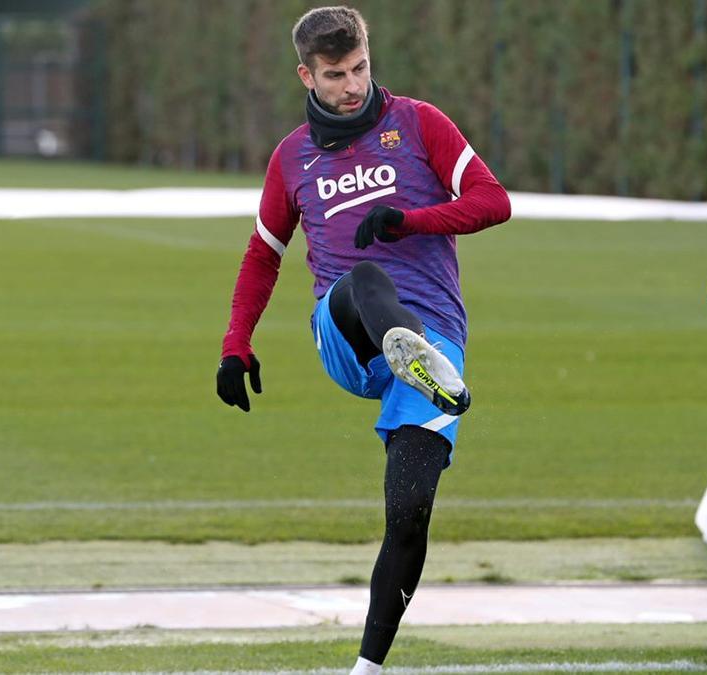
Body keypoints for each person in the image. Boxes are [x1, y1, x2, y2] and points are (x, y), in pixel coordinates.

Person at [215, 6, 510, 673]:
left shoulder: (418, 122)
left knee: (409, 511)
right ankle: (400, 343)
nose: (352, 86)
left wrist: (409, 218)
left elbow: (494, 201)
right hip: (347, 333)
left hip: (437, 349)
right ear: (306, 75)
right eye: (335, 75)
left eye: (360, 69)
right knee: (362, 277)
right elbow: (263, 254)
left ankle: (366, 667)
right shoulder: (291, 156)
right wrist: (237, 342)